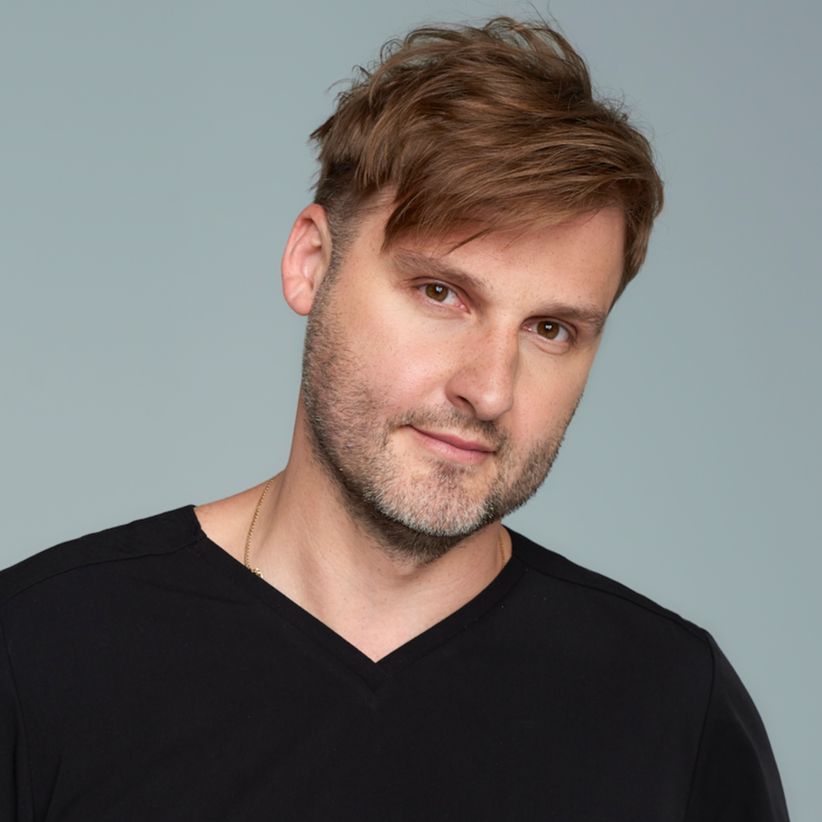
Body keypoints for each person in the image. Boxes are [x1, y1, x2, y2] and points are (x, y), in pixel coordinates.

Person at [0, 16, 789, 821]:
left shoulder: (671, 709)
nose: (489, 390)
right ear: (311, 263)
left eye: (551, 330)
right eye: (441, 293)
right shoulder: (40, 653)